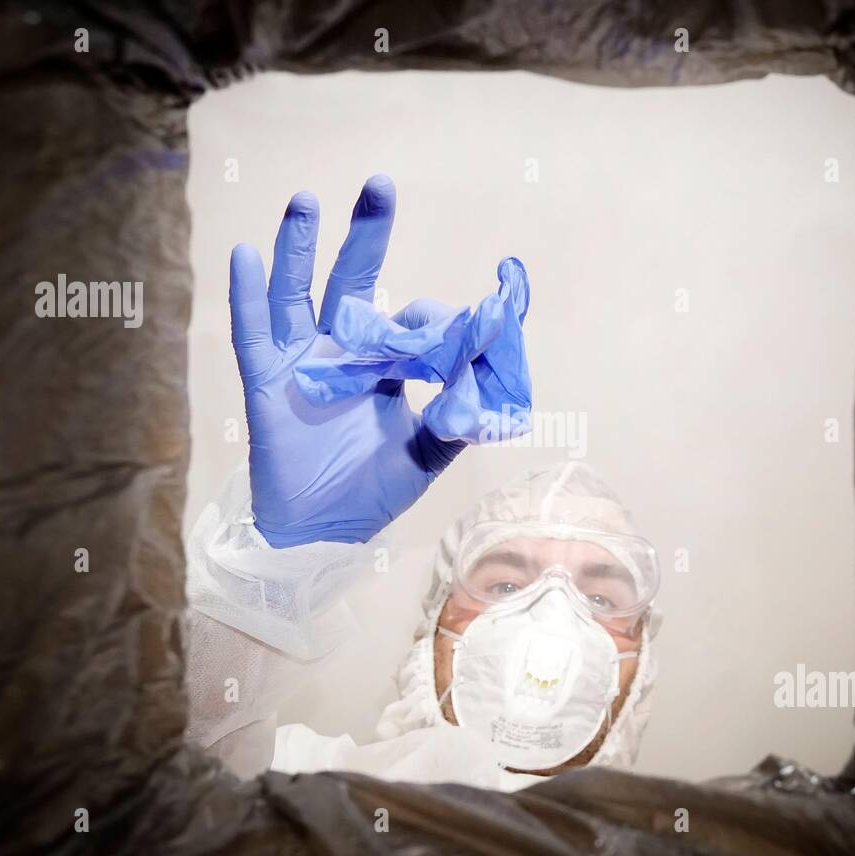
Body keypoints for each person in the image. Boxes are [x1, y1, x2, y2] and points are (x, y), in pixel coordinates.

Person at [183, 175, 661, 791]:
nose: (549, 617)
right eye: (506, 581)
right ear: (433, 625)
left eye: (601, 599)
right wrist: (272, 569)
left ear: (644, 656)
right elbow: (116, 805)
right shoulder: (289, 782)